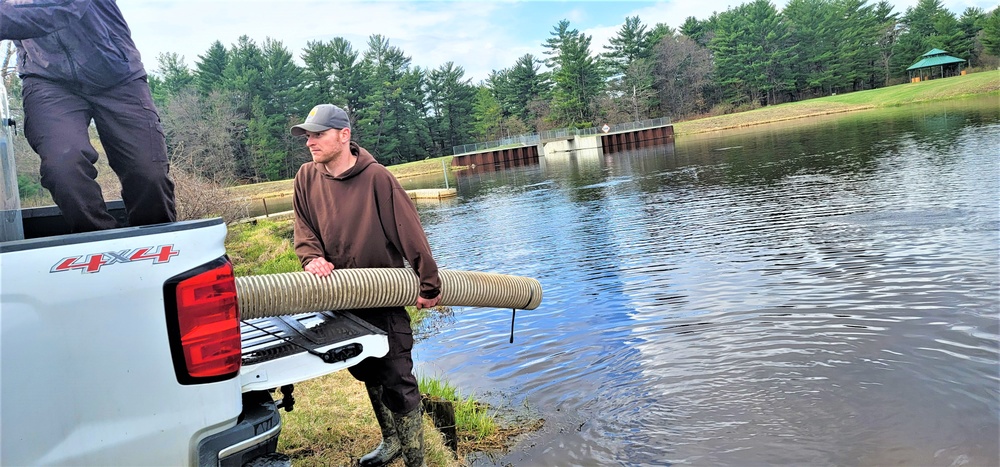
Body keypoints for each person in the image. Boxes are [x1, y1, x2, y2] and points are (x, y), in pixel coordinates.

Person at [290, 104, 441, 467]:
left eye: (318, 134)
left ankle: (415, 461)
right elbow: (303, 227)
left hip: (382, 295)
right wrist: (311, 258)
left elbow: (410, 231)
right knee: (365, 369)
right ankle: (391, 442)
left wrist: (429, 284)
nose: (310, 142)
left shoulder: (377, 178)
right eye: (307, 135)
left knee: (397, 377)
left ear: (344, 135)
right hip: (339, 296)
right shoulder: (306, 177)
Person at [0, 0, 176, 232]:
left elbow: (63, 7)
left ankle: (157, 247)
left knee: (148, 174)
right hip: (46, 78)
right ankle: (100, 245)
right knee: (63, 168)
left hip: (117, 73)